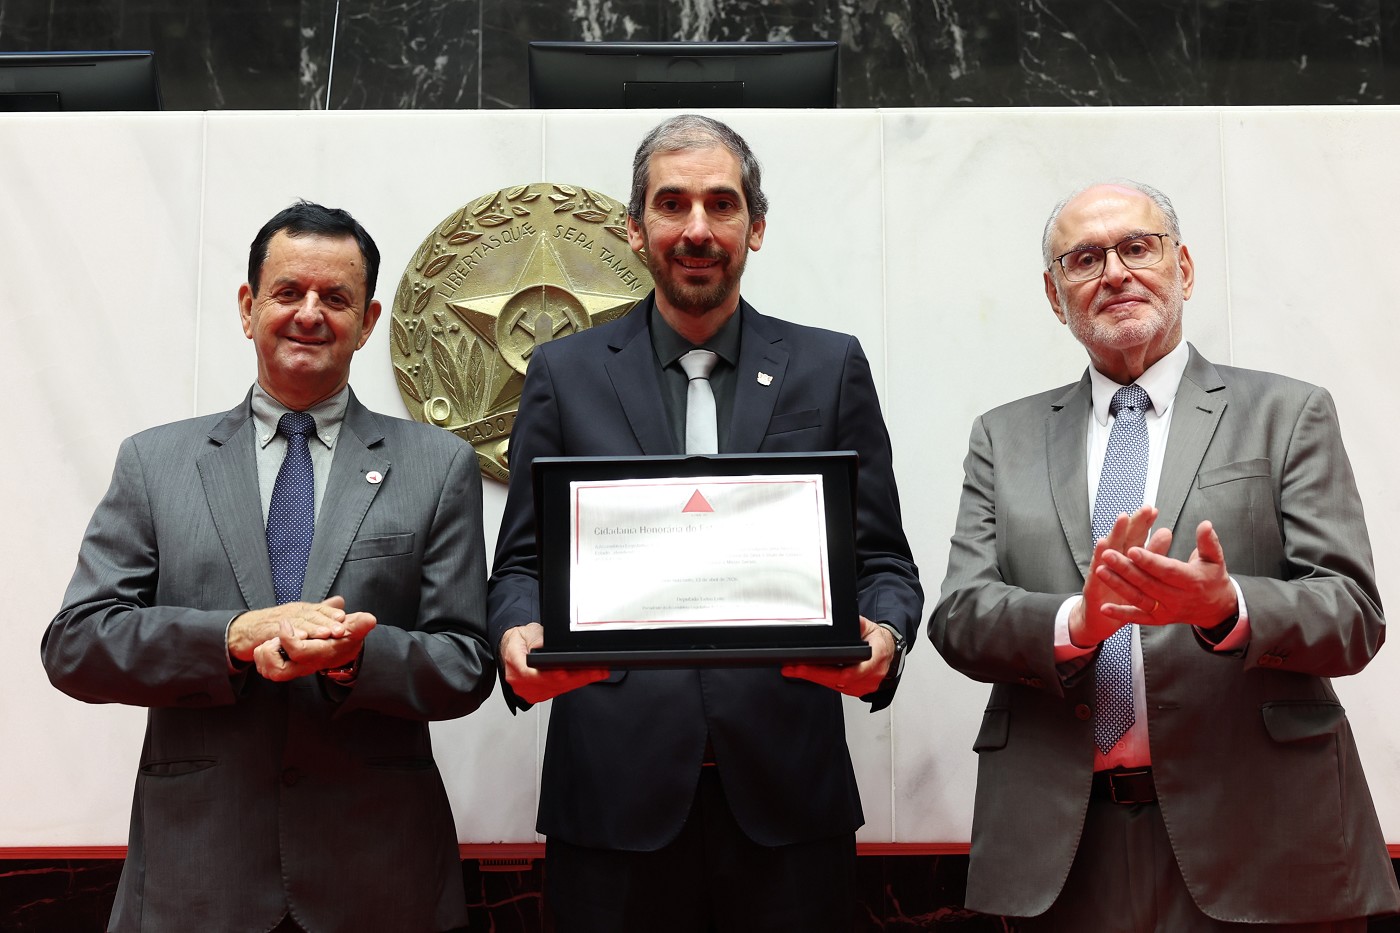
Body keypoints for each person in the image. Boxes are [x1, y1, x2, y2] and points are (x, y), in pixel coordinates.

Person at [487, 114, 923, 932]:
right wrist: (515, 638)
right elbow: (518, 566)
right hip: (610, 805)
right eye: (671, 203)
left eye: (722, 204)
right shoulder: (563, 373)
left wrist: (887, 639)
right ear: (634, 226)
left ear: (756, 227)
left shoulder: (830, 368)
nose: (696, 228)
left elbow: (884, 563)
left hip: (791, 803)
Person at [931, 180, 1400, 931]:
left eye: (1136, 247)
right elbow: (958, 616)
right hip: (1063, 850)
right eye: (1084, 258)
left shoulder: (1288, 413)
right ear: (1056, 298)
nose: (1114, 271)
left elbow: (1353, 613)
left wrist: (1229, 608)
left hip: (1263, 834)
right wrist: (1075, 623)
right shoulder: (1003, 436)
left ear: (1182, 267)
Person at [42, 201, 494, 933]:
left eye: (336, 298)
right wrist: (234, 635)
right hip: (198, 876)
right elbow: (76, 645)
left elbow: (467, 663)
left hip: (379, 879)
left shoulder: (436, 466)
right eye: (288, 292)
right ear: (249, 308)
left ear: (369, 320)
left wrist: (356, 658)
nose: (310, 313)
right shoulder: (155, 463)